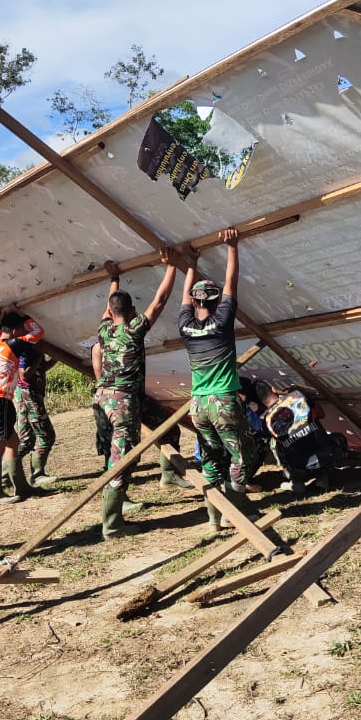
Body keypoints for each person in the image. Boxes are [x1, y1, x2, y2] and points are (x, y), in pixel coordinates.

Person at [91, 250, 179, 538]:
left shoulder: (104, 330)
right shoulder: (133, 330)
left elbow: (109, 307)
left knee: (115, 453)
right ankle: (112, 524)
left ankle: (123, 506)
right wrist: (172, 266)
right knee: (122, 459)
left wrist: (114, 277)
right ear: (130, 312)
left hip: (102, 399)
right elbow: (160, 301)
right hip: (122, 402)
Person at [178, 227, 251, 532]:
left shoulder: (185, 326)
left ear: (195, 303)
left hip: (198, 406)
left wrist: (191, 262)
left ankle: (213, 519)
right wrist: (232, 246)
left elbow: (184, 298)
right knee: (239, 459)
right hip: (223, 402)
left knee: (210, 460)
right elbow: (231, 282)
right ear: (217, 300)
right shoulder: (222, 323)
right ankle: (236, 514)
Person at [0, 307, 41, 503]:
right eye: (21, 329)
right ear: (14, 331)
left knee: (13, 443)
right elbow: (38, 333)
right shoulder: (14, 344)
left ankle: (21, 487)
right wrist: (25, 316)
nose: (23, 333)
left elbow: (0, 335)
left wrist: (0, 321)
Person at [248, 379, 343, 493]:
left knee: (277, 445)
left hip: (299, 467)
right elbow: (321, 414)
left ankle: (297, 483)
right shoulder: (297, 398)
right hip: (326, 456)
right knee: (333, 437)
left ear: (258, 402)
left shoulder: (266, 422)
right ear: (273, 389)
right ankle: (322, 479)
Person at [13, 319, 56, 487]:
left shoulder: (34, 346)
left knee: (25, 439)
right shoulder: (26, 347)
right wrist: (38, 355)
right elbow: (25, 375)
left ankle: (5, 474)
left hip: (28, 394)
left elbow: (41, 367)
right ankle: (37, 475)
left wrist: (57, 358)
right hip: (27, 394)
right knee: (46, 435)